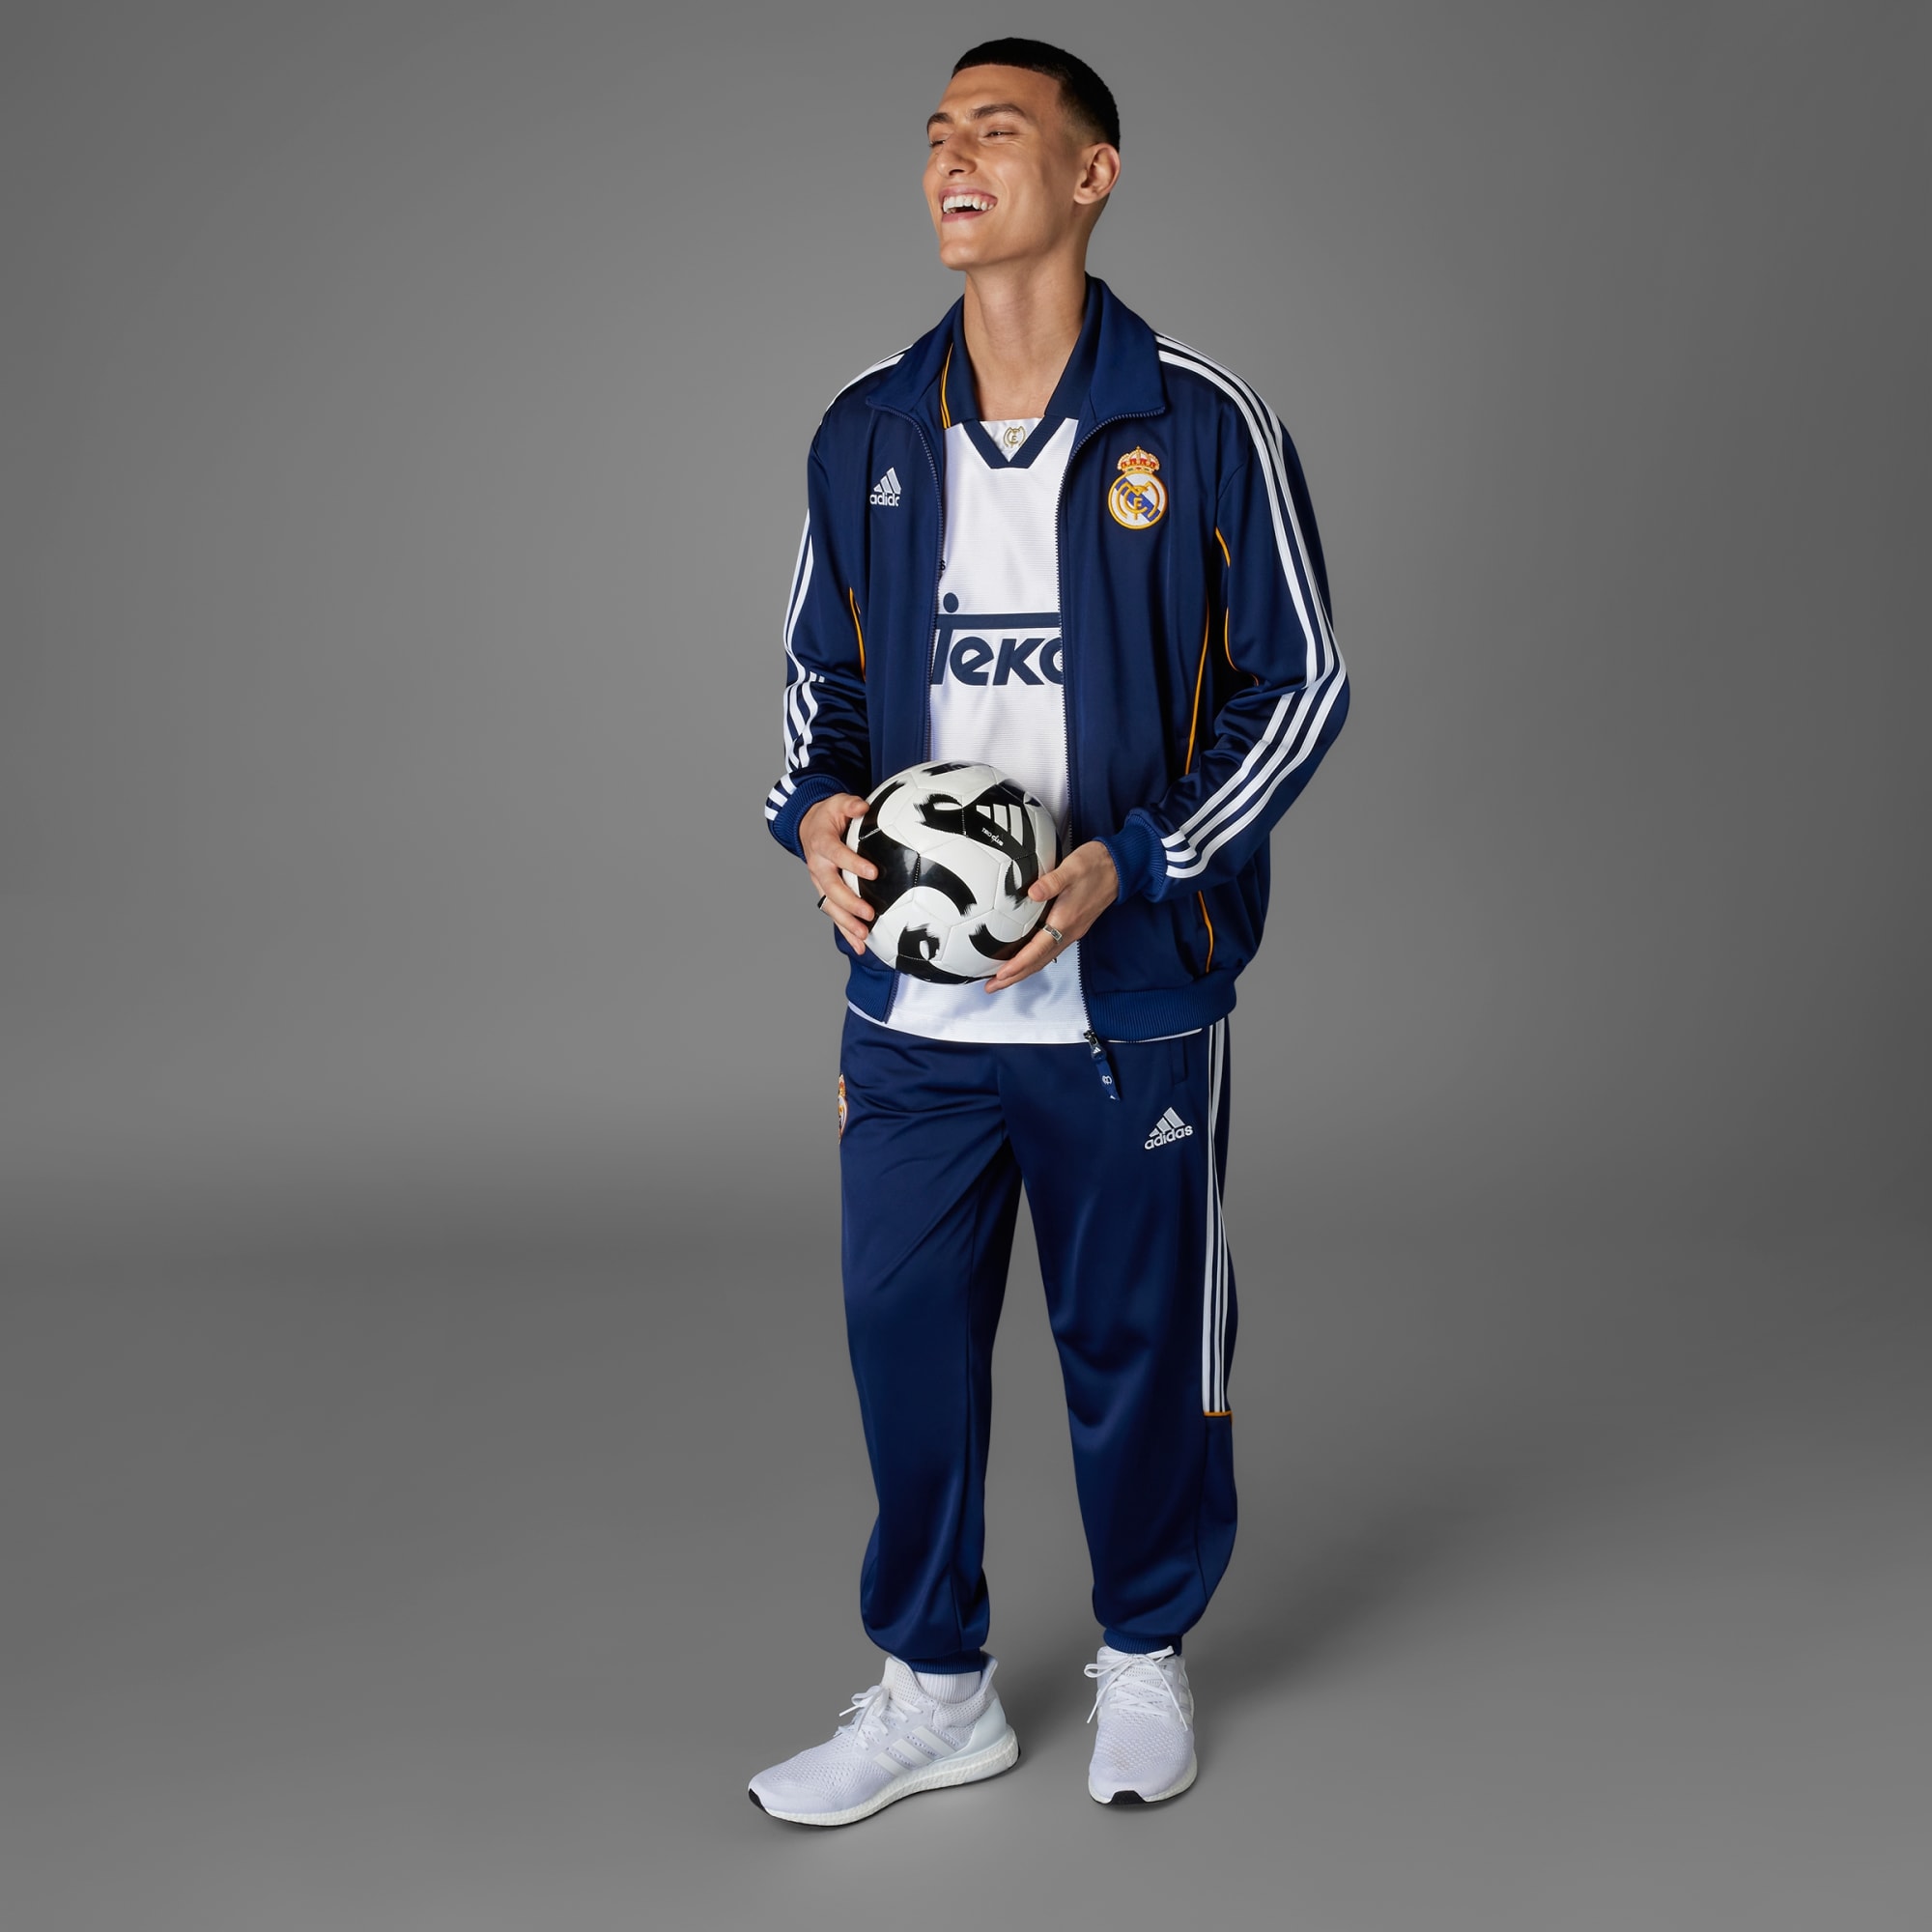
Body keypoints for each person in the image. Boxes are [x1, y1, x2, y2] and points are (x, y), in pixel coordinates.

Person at [752, 38, 1349, 1826]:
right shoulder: (868, 425)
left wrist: (1140, 863)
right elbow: (817, 685)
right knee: (902, 1336)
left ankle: (1145, 1650)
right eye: (937, 133)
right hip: (915, 1011)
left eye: (996, 131)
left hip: (1127, 993)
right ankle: (935, 1690)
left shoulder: (1202, 421)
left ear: (1091, 175)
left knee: (1138, 1346)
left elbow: (1302, 685)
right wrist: (820, 818)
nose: (952, 157)